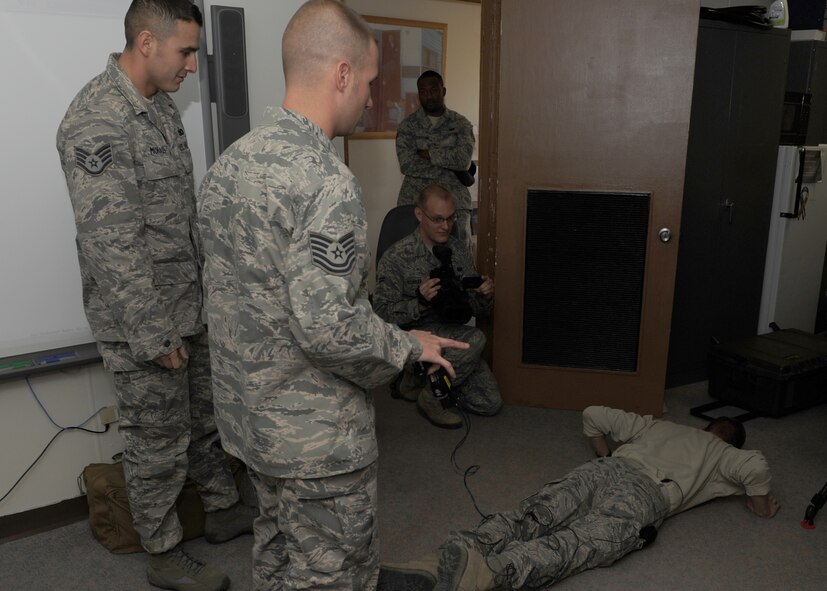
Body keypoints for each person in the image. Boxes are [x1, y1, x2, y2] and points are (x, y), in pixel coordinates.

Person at [196, 1, 469, 589]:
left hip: (251, 423)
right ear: (341, 74)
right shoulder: (325, 181)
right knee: (331, 574)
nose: (371, 96)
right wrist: (405, 345)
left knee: (274, 560)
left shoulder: (228, 164)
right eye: (369, 81)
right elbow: (330, 329)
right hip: (313, 439)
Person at [56, 2, 255, 590]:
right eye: (186, 51)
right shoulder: (96, 121)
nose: (193, 66)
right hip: (144, 322)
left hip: (186, 306)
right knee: (156, 438)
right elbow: (112, 244)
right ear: (147, 42)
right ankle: (163, 551)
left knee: (203, 419)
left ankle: (220, 510)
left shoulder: (160, 109)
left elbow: (178, 219)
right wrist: (153, 332)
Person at [378, 405, 779, 590]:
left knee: (531, 516)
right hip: (645, 494)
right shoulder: (727, 455)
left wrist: (605, 457)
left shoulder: (659, 426)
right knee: (575, 543)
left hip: (602, 470)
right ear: (732, 441)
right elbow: (756, 468)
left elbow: (594, 413)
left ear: (707, 426)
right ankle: (485, 576)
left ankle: (441, 559)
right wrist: (760, 505)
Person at [373, 184, 502, 429]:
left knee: (489, 402)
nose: (446, 226)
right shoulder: (397, 257)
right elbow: (380, 315)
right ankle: (430, 398)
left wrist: (484, 296)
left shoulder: (458, 250)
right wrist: (419, 304)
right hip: (414, 335)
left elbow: (477, 310)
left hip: (452, 334)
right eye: (438, 219)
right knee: (474, 339)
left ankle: (418, 380)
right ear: (420, 215)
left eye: (451, 218)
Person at [396, 70, 476, 244]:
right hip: (415, 202)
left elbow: (463, 160)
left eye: (433, 90)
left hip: (454, 204)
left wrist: (429, 154)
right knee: (410, 260)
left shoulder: (460, 124)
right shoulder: (408, 126)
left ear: (443, 91)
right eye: (423, 92)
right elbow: (407, 164)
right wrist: (448, 164)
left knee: (459, 262)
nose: (429, 96)